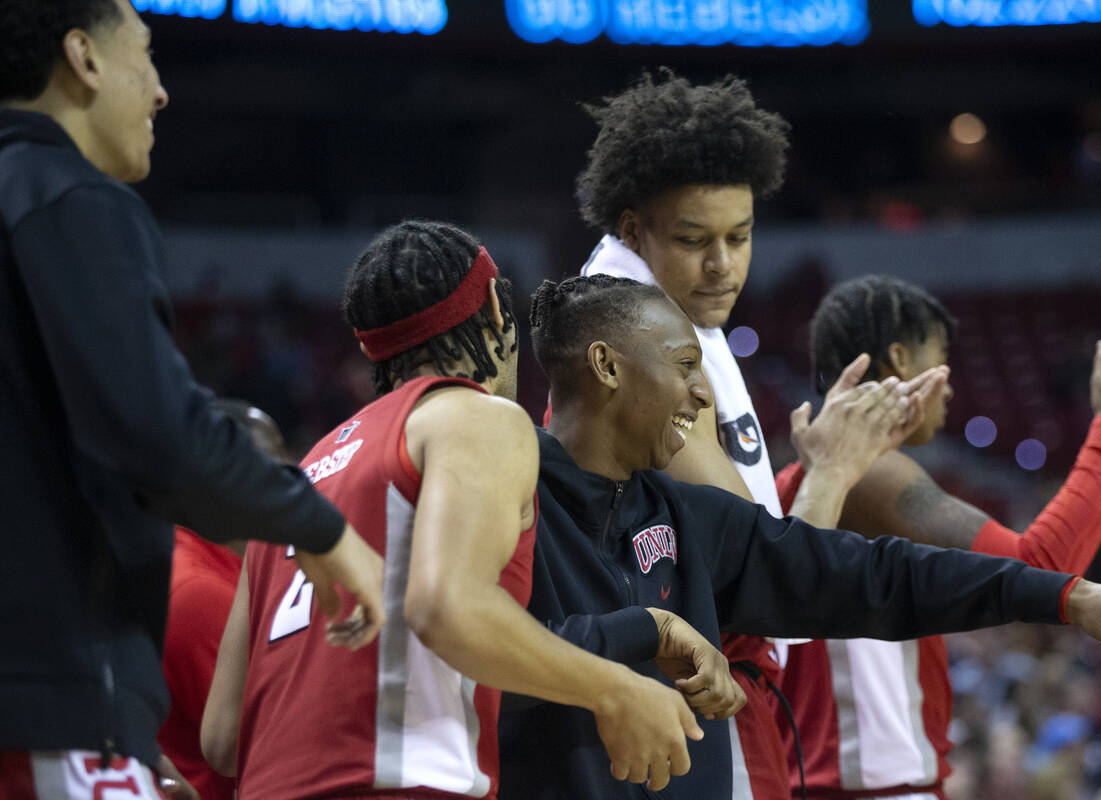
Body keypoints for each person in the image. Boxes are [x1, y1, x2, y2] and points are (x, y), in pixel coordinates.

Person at [496, 274, 1101, 800]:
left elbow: (883, 575)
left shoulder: (689, 515)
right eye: (683, 368)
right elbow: (483, 653)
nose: (701, 396)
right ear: (609, 366)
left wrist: (1070, 596)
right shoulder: (508, 497)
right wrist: (642, 634)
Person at [201, 221, 729, 800]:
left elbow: (224, 737)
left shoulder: (307, 470)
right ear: (500, 315)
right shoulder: (477, 418)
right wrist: (616, 689)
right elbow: (447, 606)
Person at [0, 1, 384, 796]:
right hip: (49, 694)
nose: (162, 91)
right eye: (145, 54)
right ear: (84, 58)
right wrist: (319, 528)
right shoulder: (66, 194)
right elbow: (152, 430)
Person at [572, 68, 897, 798]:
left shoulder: (665, 306)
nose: (723, 265)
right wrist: (835, 473)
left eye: (740, 236)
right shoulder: (642, 349)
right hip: (699, 698)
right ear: (632, 228)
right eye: (694, 239)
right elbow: (761, 576)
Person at [773, 275, 1101, 800]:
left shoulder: (809, 476)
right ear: (900, 358)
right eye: (941, 357)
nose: (952, 385)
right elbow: (1038, 567)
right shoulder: (867, 474)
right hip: (869, 787)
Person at [158, 400, 289, 800]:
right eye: (272, 462)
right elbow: (272, 746)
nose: (296, 473)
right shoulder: (198, 593)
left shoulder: (217, 565)